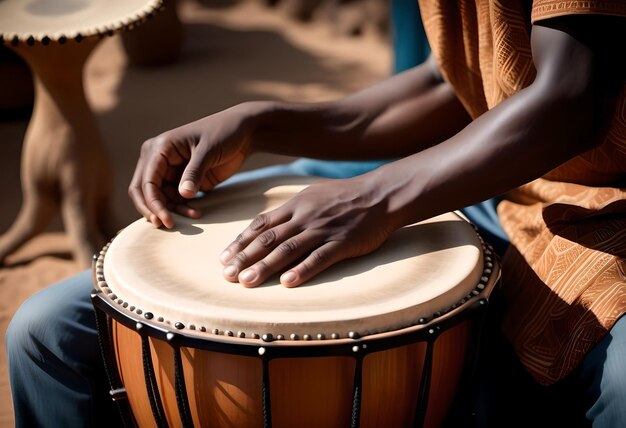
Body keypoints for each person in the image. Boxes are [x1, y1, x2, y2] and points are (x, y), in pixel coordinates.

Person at [6, 0, 626, 426]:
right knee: (46, 334)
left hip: (600, 211)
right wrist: (263, 121)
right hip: (477, 185)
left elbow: (571, 97)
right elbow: (454, 84)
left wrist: (375, 197)